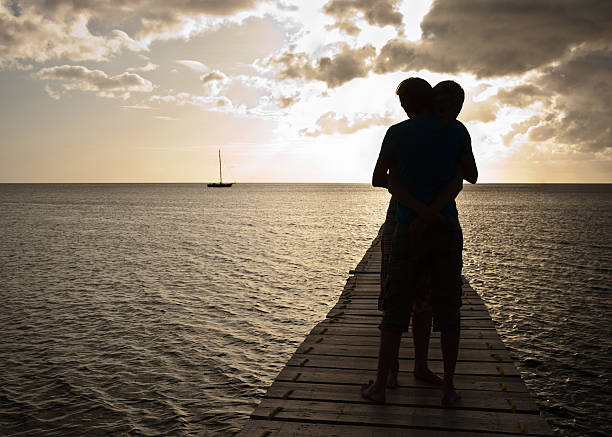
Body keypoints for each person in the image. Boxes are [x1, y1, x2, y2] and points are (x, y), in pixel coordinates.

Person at [362, 77, 477, 405]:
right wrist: (435, 207)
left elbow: (377, 179)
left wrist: (415, 207)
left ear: (408, 103)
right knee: (447, 308)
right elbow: (470, 174)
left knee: (396, 308)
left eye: (402, 103)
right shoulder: (456, 131)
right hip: (445, 226)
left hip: (407, 228)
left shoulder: (398, 133)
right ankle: (448, 389)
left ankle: (381, 386)